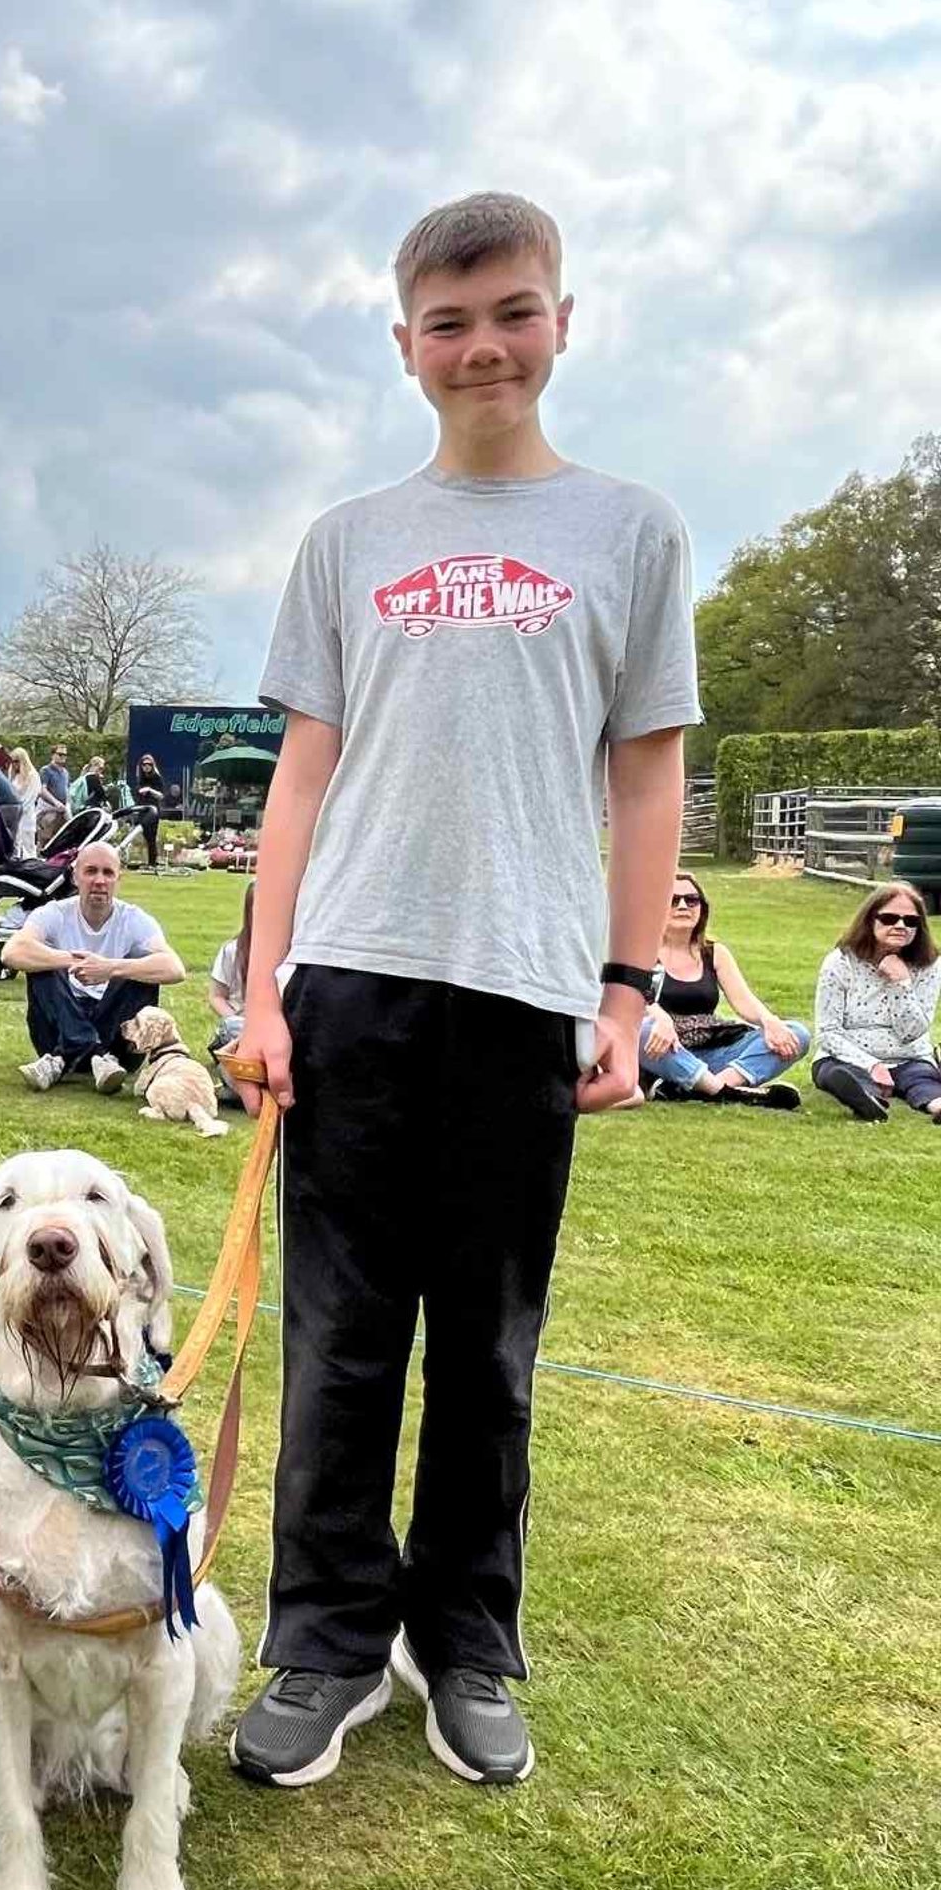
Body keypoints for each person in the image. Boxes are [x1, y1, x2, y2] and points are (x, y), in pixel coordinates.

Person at [226, 190, 697, 1796]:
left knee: (487, 1347)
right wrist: (264, 986)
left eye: (512, 311)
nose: (483, 345)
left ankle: (466, 1643)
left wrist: (628, 992)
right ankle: (330, 1643)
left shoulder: (631, 531)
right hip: (350, 980)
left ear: (564, 319)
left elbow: (647, 781)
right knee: (340, 1336)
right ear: (406, 342)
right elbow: (302, 776)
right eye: (449, 321)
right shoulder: (349, 540)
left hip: (522, 989)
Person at [4, 841, 186, 1092]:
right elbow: (12, 952)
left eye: (108, 873)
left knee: (138, 970)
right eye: (91, 871)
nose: (99, 880)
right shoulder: (54, 913)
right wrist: (72, 960)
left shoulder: (134, 919)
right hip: (57, 1028)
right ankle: (95, 1055)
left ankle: (64, 1059)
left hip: (119, 1043)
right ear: (75, 876)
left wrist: (111, 968)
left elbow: (175, 968)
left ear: (118, 879)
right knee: (42, 964)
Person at [639, 871, 807, 1106]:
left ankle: (706, 1088)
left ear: (702, 908)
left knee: (796, 1033)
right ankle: (728, 1093)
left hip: (713, 1049)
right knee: (641, 1030)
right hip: (664, 1051)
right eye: (673, 900)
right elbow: (630, 1001)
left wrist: (769, 1021)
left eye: (692, 900)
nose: (683, 906)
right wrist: (661, 1019)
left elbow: (744, 1002)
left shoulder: (714, 953)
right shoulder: (640, 952)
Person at [810, 886, 941, 1123]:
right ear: (870, 920)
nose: (900, 926)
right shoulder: (839, 962)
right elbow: (828, 1033)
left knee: (922, 1078)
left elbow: (913, 1031)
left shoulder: (929, 964)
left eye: (910, 921)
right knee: (837, 1073)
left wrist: (901, 983)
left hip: (908, 1056)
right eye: (890, 918)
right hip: (848, 1056)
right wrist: (871, 1065)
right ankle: (867, 1098)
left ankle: (937, 1106)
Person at [207, 882, 254, 1093]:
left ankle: (234, 1076)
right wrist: (235, 1019)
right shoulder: (232, 951)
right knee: (235, 1028)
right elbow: (217, 996)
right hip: (238, 1025)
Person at [7, 746, 44, 858]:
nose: (14, 764)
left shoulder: (33, 775)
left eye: (17, 761)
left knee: (28, 846)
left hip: (26, 816)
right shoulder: (14, 776)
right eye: (12, 762)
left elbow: (30, 797)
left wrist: (18, 810)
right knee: (16, 845)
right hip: (15, 815)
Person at [132, 752, 166, 869]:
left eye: (149, 764)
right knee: (145, 835)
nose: (146, 766)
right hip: (142, 809)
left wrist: (150, 790)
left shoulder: (156, 777)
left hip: (153, 809)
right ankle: (147, 860)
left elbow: (161, 795)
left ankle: (152, 861)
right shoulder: (140, 778)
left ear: (152, 765)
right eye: (144, 764)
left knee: (152, 835)